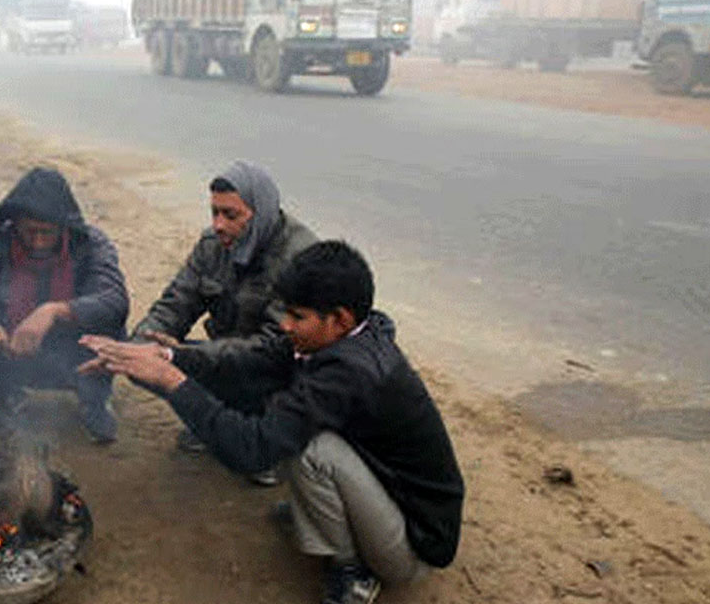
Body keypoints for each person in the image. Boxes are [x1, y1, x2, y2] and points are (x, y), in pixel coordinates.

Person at [81, 241, 464, 604]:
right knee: (289, 415)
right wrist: (167, 356)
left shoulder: (349, 372)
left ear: (341, 320)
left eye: (298, 316)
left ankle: (355, 570)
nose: (285, 325)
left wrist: (171, 381)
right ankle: (326, 519)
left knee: (311, 449)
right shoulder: (340, 340)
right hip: (389, 494)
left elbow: (251, 449)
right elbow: (250, 361)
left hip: (415, 544)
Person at [133, 160, 316, 464]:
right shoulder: (212, 245)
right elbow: (176, 302)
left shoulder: (299, 258)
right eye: (214, 213)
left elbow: (275, 349)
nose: (219, 225)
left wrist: (183, 357)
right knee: (141, 359)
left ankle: (261, 442)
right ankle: (214, 423)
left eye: (231, 215)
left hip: (274, 372)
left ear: (260, 213)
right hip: (225, 356)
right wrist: (140, 345)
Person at [0, 167, 129, 443]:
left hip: (74, 348)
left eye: (46, 232)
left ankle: (93, 400)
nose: (37, 241)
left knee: (110, 323)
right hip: (11, 348)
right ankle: (6, 393)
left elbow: (115, 301)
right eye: (29, 231)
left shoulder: (90, 244)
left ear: (63, 227)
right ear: (15, 224)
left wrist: (53, 312)